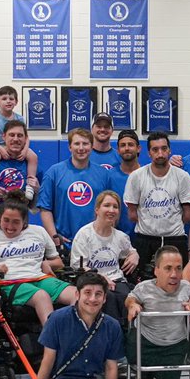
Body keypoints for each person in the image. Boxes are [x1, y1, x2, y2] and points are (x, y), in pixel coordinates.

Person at [28, 272, 125, 379]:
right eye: (87, 293)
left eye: (98, 294)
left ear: (105, 298)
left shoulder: (112, 326)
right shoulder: (57, 319)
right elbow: (47, 360)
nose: (92, 299)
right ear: (77, 294)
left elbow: (111, 367)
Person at [0, 192, 76, 325]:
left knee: (77, 295)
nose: (10, 226)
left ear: (24, 221)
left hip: (39, 278)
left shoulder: (38, 232)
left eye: (16, 222)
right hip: (10, 282)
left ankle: (74, 333)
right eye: (6, 220)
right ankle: (52, 338)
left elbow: (59, 263)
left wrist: (46, 263)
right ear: (0, 218)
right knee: (41, 296)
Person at [125, 246, 190, 379]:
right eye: (168, 268)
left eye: (178, 268)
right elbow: (130, 299)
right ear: (156, 270)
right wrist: (133, 305)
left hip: (174, 343)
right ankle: (145, 375)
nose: (174, 274)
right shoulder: (144, 287)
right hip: (147, 340)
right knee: (133, 343)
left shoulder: (185, 287)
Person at [124, 131, 190, 270]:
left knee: (176, 280)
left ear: (169, 150)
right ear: (149, 153)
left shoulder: (182, 176)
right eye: (155, 150)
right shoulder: (136, 176)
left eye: (164, 148)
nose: (160, 154)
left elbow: (188, 216)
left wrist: (169, 227)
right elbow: (132, 214)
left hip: (175, 239)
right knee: (142, 280)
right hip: (145, 239)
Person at [69, 190, 139, 325]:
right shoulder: (84, 235)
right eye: (107, 205)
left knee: (128, 297)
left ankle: (128, 332)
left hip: (116, 280)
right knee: (108, 298)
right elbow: (78, 265)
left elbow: (131, 251)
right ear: (97, 209)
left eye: (115, 207)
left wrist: (135, 255)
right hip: (93, 280)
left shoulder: (121, 237)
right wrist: (101, 277)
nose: (111, 210)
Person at [37, 127, 112, 251]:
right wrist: (54, 237)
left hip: (96, 242)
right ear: (70, 147)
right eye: (77, 144)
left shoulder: (104, 174)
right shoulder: (54, 172)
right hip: (64, 243)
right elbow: (45, 208)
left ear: (92, 147)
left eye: (85, 144)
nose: (81, 148)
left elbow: (110, 209)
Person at [0, 86, 39, 199]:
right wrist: (0, 149)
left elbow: (26, 137)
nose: (8, 101)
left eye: (11, 99)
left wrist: (25, 150)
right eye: (4, 98)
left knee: (33, 156)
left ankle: (30, 183)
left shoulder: (20, 118)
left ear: (16, 102)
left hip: (17, 146)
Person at [0, 119, 39, 203]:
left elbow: (38, 203)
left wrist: (37, 190)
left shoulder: (31, 160)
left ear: (25, 138)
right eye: (11, 135)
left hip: (22, 209)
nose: (16, 139)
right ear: (4, 137)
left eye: (20, 135)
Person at [105, 129, 142, 233]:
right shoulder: (109, 176)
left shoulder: (147, 174)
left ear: (138, 148)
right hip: (116, 236)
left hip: (144, 235)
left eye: (130, 145)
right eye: (123, 145)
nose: (126, 148)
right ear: (118, 150)